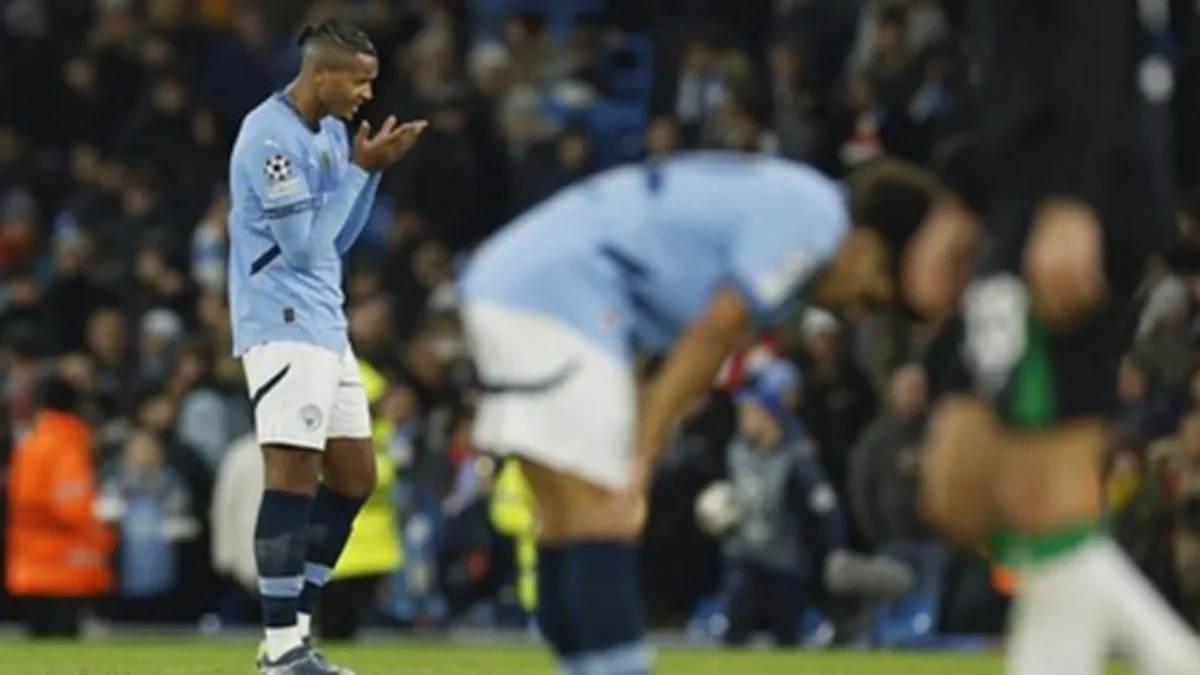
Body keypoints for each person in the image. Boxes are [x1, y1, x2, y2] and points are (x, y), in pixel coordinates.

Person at [459, 151, 941, 674]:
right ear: (869, 243)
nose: (856, 307)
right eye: (872, 292)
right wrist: (642, 453)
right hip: (561, 295)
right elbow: (715, 330)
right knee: (604, 514)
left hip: (520, 280)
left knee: (564, 526)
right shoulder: (818, 220)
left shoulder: (795, 195)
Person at [911, 2, 1200, 673]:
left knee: (1044, 492)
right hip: (1021, 197)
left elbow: (1101, 39)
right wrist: (964, 196)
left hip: (1071, 196)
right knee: (959, 484)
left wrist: (1076, 197)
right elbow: (1010, 61)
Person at [226, 19, 425, 675]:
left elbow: (334, 243)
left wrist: (365, 175)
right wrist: (361, 172)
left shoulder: (333, 134)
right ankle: (282, 647)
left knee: (354, 477)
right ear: (322, 74)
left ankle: (295, 633)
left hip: (322, 322)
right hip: (280, 323)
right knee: (291, 477)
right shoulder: (270, 139)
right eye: (361, 81)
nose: (368, 95)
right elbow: (305, 247)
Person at [5, 376, 114, 638]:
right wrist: (102, 525)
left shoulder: (29, 445)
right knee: (62, 644)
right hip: (65, 564)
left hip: (30, 562)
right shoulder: (67, 445)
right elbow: (72, 506)